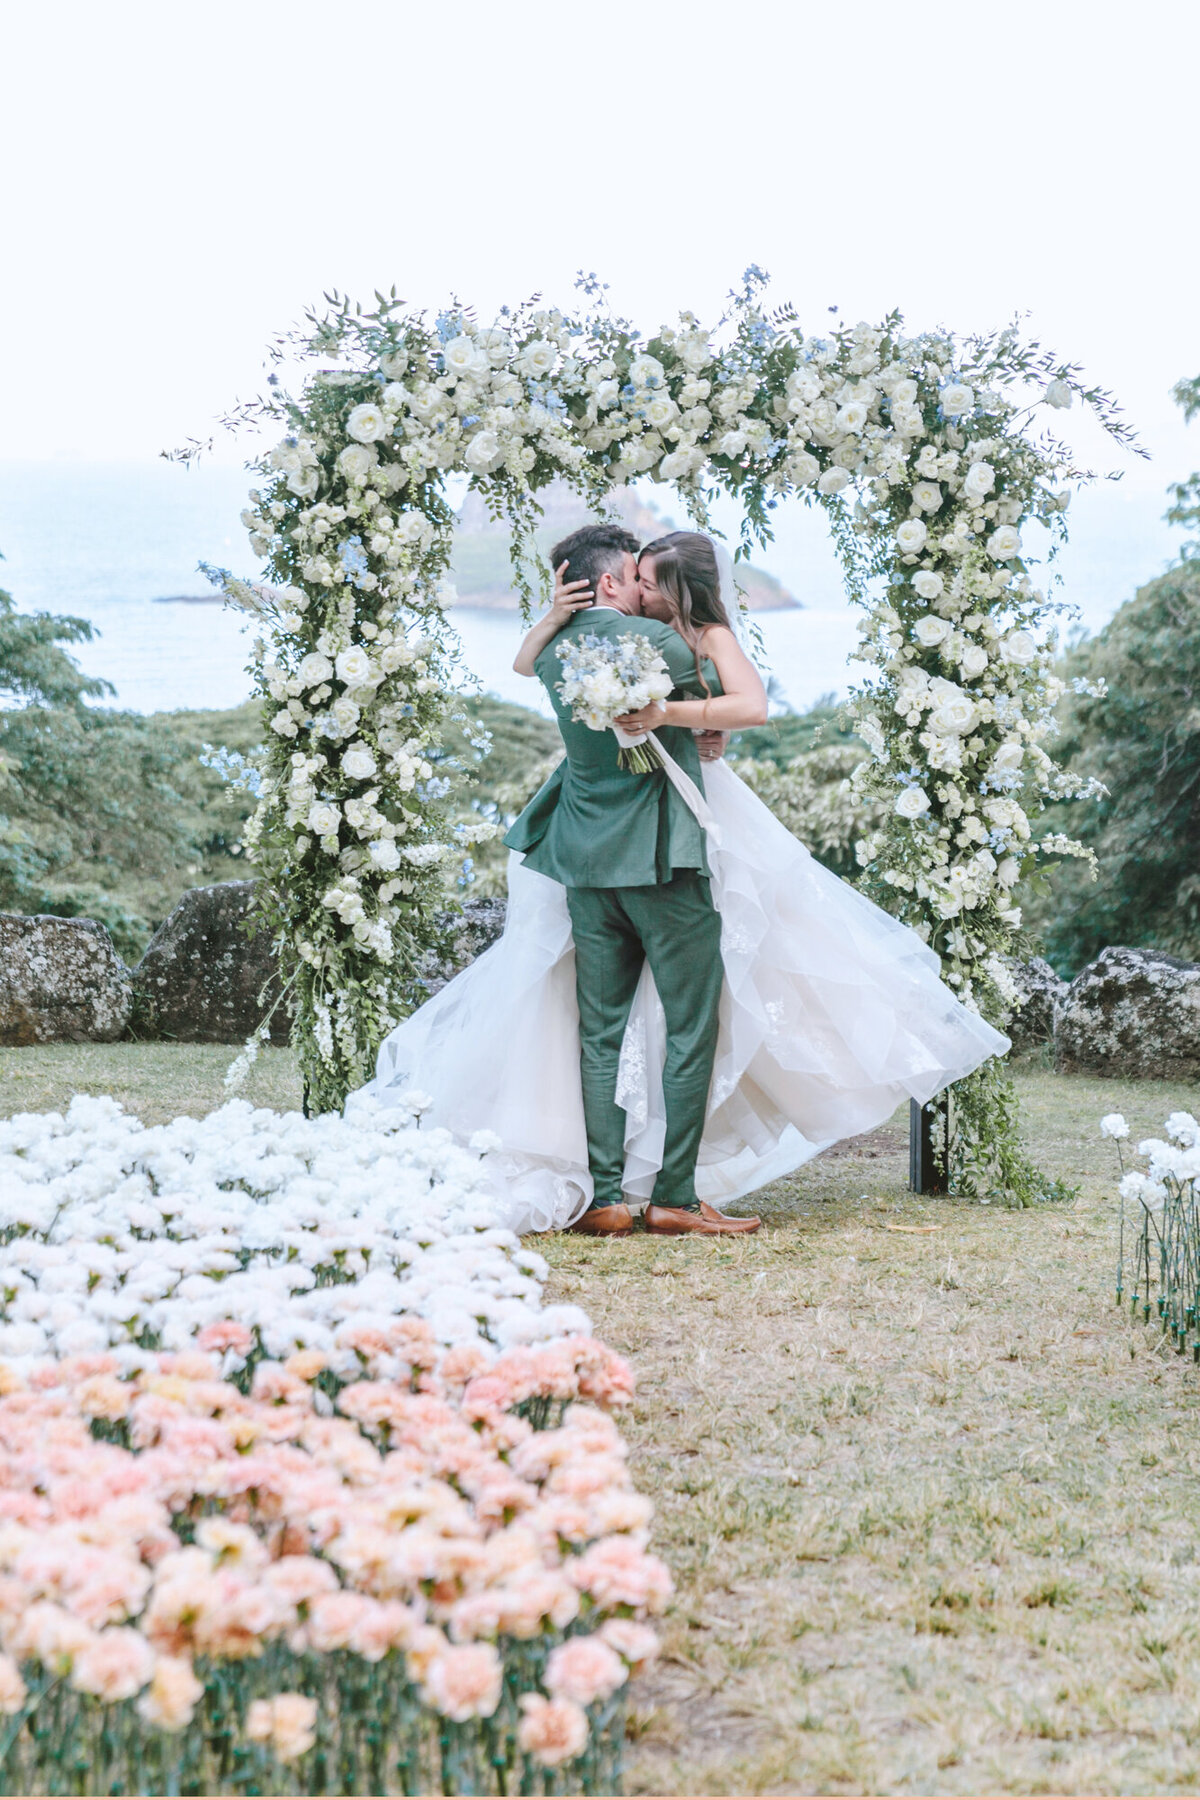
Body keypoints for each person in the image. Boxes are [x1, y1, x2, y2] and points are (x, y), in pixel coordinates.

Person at [347, 526, 1008, 1236]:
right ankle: (674, 1198)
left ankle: (603, 1198)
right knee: (692, 1028)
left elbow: (526, 664)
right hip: (665, 860)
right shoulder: (668, 647)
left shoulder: (555, 653)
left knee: (598, 1031)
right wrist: (696, 719)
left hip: (585, 862)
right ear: (609, 583)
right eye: (635, 576)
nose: (643, 589)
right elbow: (746, 706)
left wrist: (555, 622)